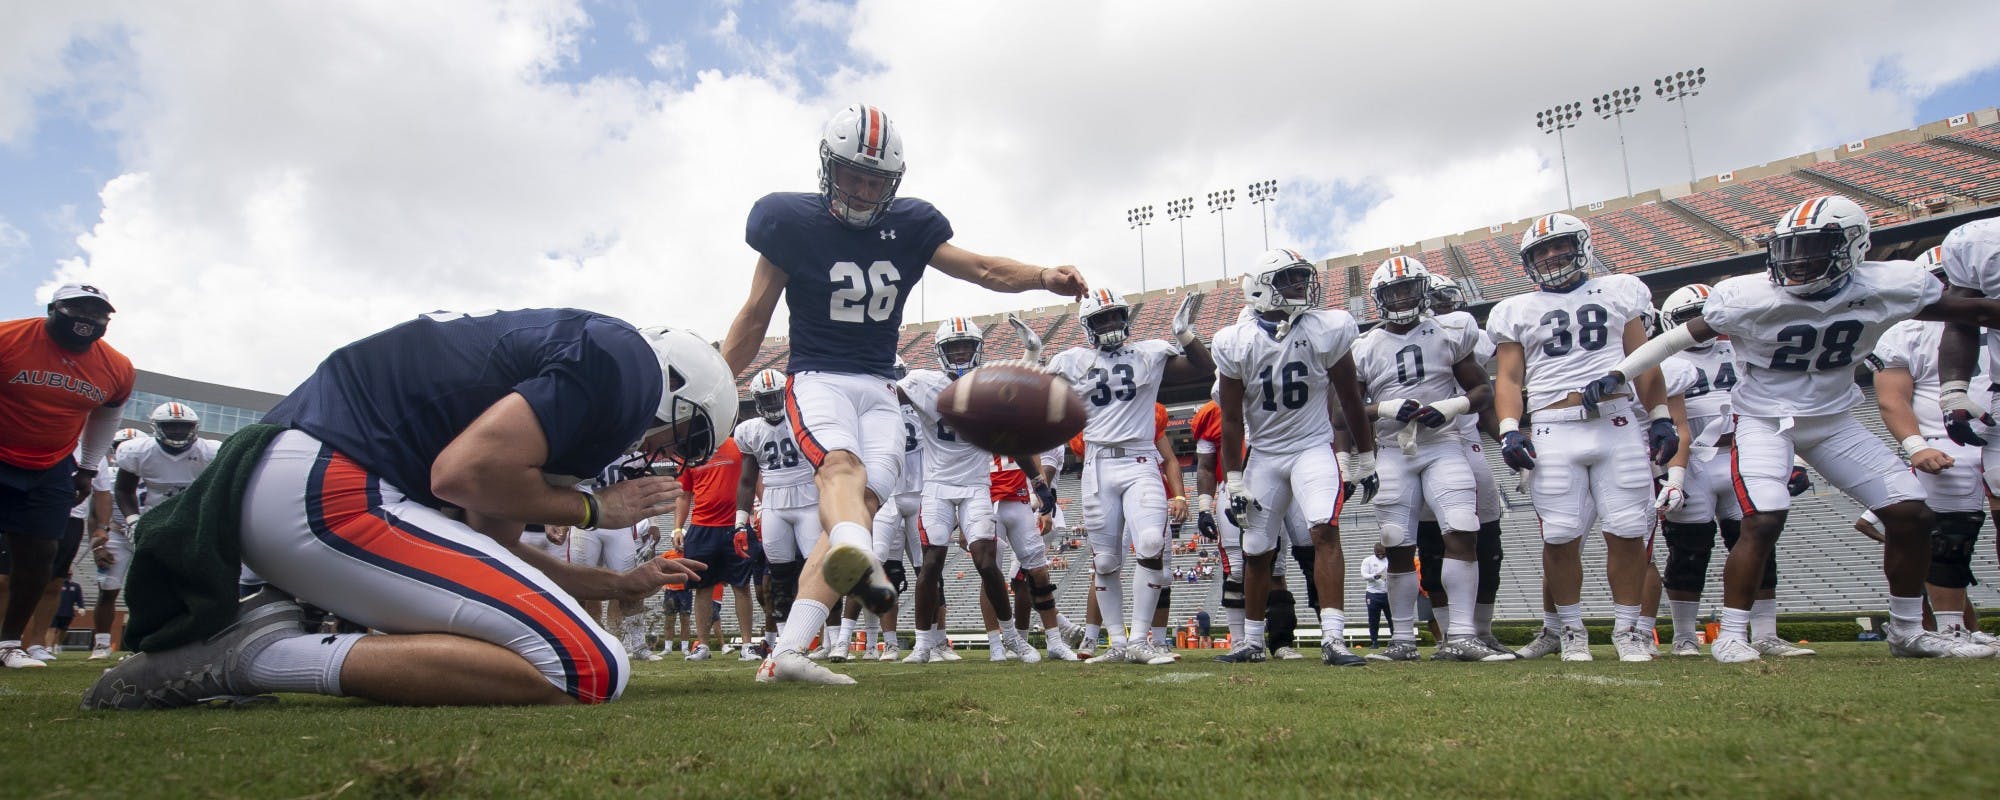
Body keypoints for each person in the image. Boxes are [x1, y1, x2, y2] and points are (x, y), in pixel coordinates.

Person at [83, 309, 730, 709]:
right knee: (587, 665)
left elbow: (496, 546)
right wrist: (593, 510)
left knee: (559, 645)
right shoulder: (624, 362)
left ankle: (268, 632)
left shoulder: (565, 360)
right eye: (680, 436)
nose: (662, 452)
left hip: (298, 483)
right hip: (330, 485)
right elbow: (465, 474)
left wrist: (618, 583)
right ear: (674, 385)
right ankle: (255, 658)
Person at [721, 103, 1087, 685]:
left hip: (879, 386)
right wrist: (719, 383)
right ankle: (847, 558)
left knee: (862, 510)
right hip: (818, 378)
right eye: (853, 175)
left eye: (876, 179)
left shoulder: (911, 226)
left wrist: (1043, 275)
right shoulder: (789, 222)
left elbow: (984, 270)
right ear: (828, 169)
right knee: (840, 472)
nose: (865, 190)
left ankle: (787, 652)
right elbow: (754, 316)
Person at [1585, 196, 2000, 661]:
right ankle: (1732, 634)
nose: (1797, 261)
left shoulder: (1892, 284)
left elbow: (1972, 313)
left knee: (1913, 513)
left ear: (1852, 248)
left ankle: (1906, 630)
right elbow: (1680, 336)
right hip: (1764, 420)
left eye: (1812, 248)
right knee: (1762, 519)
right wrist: (1621, 373)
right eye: (1790, 248)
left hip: (1835, 420)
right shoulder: (1751, 294)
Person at [1490, 213, 1678, 663]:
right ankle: (1571, 631)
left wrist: (1659, 416)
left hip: (1616, 423)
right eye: (1540, 251)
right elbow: (1510, 379)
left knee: (1629, 531)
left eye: (1558, 246)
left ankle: (1628, 629)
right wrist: (1509, 430)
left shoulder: (1619, 290)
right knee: (1558, 535)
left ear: (1583, 246)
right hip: (1554, 428)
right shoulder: (1515, 309)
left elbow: (1645, 358)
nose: (1551, 256)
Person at [1210, 249, 1375, 666]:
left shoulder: (1327, 328)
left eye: (1301, 279)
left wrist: (1366, 455)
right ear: (1262, 289)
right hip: (1264, 454)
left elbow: (1350, 400)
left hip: (1312, 447)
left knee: (1323, 530)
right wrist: (1233, 478)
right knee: (1257, 548)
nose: (1301, 287)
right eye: (1289, 281)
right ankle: (1251, 641)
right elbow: (1230, 419)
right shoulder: (1235, 340)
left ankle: (1333, 638)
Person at [1352, 256, 1506, 663]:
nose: (1401, 297)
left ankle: (1461, 634)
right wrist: (1385, 409)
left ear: (1423, 290)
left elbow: (1483, 391)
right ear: (1379, 299)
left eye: (1408, 288)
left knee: (1462, 529)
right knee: (1395, 543)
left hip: (1443, 444)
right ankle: (1403, 640)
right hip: (1392, 452)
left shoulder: (1449, 331)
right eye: (1393, 291)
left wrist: (1452, 405)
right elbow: (1344, 412)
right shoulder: (1365, 347)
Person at [1651, 284, 1813, 658]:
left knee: (1758, 544)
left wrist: (1798, 460)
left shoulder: (1746, 349)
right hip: (1690, 463)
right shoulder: (1666, 361)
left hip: (1745, 453)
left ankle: (1765, 633)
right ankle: (1684, 635)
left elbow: (1781, 404)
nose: (1702, 324)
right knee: (1688, 552)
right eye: (1691, 317)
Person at [1048, 290, 1209, 665]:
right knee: (1104, 562)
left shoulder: (1148, 354)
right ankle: (1117, 643)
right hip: (1097, 466)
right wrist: (1031, 360)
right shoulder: (1072, 361)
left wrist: (1185, 334)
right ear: (1087, 327)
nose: (1109, 325)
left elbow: (1203, 369)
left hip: (1140, 460)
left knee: (1151, 543)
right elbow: (1030, 392)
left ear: (1125, 318)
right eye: (1100, 319)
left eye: (1114, 316)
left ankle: (1140, 640)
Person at [1865, 247, 1998, 650]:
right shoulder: (1906, 332)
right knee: (1950, 540)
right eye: (1942, 280)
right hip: (1945, 443)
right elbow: (1893, 398)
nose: (1953, 289)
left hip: (1995, 434)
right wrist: (1916, 445)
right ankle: (1951, 628)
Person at [898, 317, 1049, 663]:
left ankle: (1010, 636)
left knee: (985, 558)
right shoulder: (924, 382)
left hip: (975, 485)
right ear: (941, 353)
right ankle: (924, 643)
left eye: (966, 346)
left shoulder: (991, 386)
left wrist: (1037, 480)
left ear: (978, 349)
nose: (962, 353)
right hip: (936, 484)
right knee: (931, 561)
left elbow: (1013, 441)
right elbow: (886, 394)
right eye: (954, 347)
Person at [1, 283, 132, 670]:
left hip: (51, 463)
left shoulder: (117, 367)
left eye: (97, 313)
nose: (87, 320)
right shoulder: (9, 338)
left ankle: (9, 643)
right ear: (52, 308)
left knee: (41, 556)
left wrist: (89, 468)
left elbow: (106, 417)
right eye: (77, 309)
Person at [1419, 272, 1514, 656]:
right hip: (1426, 446)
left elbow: (1487, 398)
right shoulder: (1411, 340)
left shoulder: (1463, 335)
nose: (1447, 309)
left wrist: (1508, 440)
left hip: (1468, 441)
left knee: (1487, 543)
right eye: (1438, 301)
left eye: (1448, 300)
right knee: (1432, 548)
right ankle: (1448, 635)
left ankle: (1480, 630)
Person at [733, 369, 828, 659]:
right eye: (767, 399)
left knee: (817, 570)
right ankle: (786, 642)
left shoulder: (804, 419)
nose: (774, 404)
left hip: (808, 500)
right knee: (780, 576)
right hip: (774, 502)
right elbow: (748, 481)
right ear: (757, 401)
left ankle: (831, 639)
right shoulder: (749, 431)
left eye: (777, 397)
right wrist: (739, 524)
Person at [677, 435, 756, 662]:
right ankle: (702, 645)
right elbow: (684, 494)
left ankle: (747, 645)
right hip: (702, 527)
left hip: (736, 525)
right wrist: (676, 529)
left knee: (741, 586)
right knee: (703, 587)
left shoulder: (739, 443)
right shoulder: (691, 449)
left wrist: (759, 512)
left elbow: (754, 477)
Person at [1361, 544, 1388, 648]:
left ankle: (1395, 639)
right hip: (1372, 594)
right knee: (1373, 619)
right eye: (1378, 553)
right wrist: (1374, 576)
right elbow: (1364, 575)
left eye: (1383, 553)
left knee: (1391, 618)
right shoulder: (1368, 560)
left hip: (1387, 593)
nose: (1381, 555)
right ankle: (1374, 641)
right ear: (1374, 551)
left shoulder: (1389, 560)